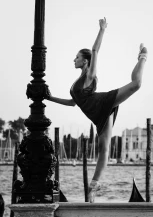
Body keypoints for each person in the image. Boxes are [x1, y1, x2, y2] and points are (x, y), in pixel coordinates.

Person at [46, 17, 147, 201]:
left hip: (103, 103)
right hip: (97, 116)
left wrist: (102, 29)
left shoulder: (89, 76)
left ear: (85, 62)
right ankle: (93, 188)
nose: (74, 59)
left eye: (77, 57)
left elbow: (94, 50)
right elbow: (73, 103)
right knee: (103, 149)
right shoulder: (77, 82)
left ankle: (142, 57)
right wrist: (49, 97)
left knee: (136, 84)